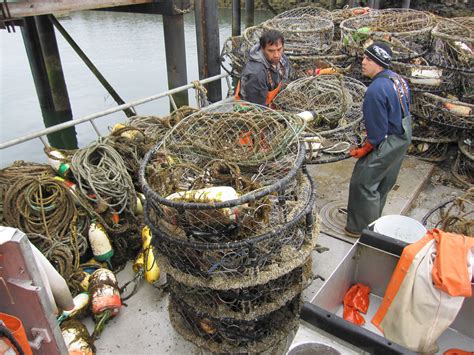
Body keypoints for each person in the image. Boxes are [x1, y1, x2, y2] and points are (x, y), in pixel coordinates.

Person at [345, 41, 412, 237]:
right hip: (403, 136)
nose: (363, 62)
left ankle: (361, 230)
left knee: (363, 182)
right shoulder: (397, 79)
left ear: (378, 62)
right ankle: (375, 220)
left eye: (368, 59)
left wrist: (365, 149)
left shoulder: (375, 90)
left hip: (389, 140)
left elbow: (376, 134)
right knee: (384, 182)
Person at [235, 30, 290, 106]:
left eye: (279, 49)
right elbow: (257, 108)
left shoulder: (282, 59)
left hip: (273, 102)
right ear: (262, 49)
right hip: (251, 111)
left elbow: (286, 80)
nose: (276, 55)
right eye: (271, 51)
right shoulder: (256, 73)